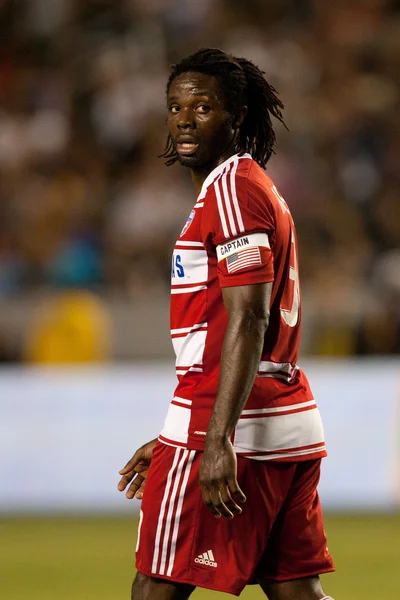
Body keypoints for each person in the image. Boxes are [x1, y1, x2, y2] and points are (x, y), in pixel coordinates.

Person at [118, 48, 335, 600]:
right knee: (297, 594)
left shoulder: (233, 190)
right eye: (175, 107)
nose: (185, 119)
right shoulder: (247, 187)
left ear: (236, 116)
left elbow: (249, 318)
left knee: (155, 586)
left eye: (203, 106)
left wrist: (213, 439)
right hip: (285, 422)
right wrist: (174, 435)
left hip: (227, 423)